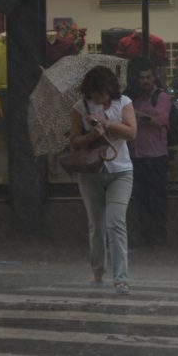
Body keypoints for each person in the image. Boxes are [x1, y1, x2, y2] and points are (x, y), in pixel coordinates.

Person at [69, 66, 137, 294]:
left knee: (116, 222)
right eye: (98, 94)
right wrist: (92, 134)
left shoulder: (124, 102)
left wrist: (106, 123)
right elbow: (75, 142)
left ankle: (121, 277)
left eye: (106, 93)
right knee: (96, 225)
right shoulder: (80, 108)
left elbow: (131, 132)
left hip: (121, 171)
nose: (102, 98)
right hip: (91, 173)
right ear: (90, 92)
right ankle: (98, 270)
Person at [128, 59, 171, 247]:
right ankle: (145, 234)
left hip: (156, 157)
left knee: (157, 197)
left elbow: (160, 121)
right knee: (141, 198)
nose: (144, 81)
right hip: (137, 156)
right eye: (141, 78)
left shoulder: (161, 97)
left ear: (154, 78)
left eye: (148, 77)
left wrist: (140, 115)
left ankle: (158, 234)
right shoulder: (134, 99)